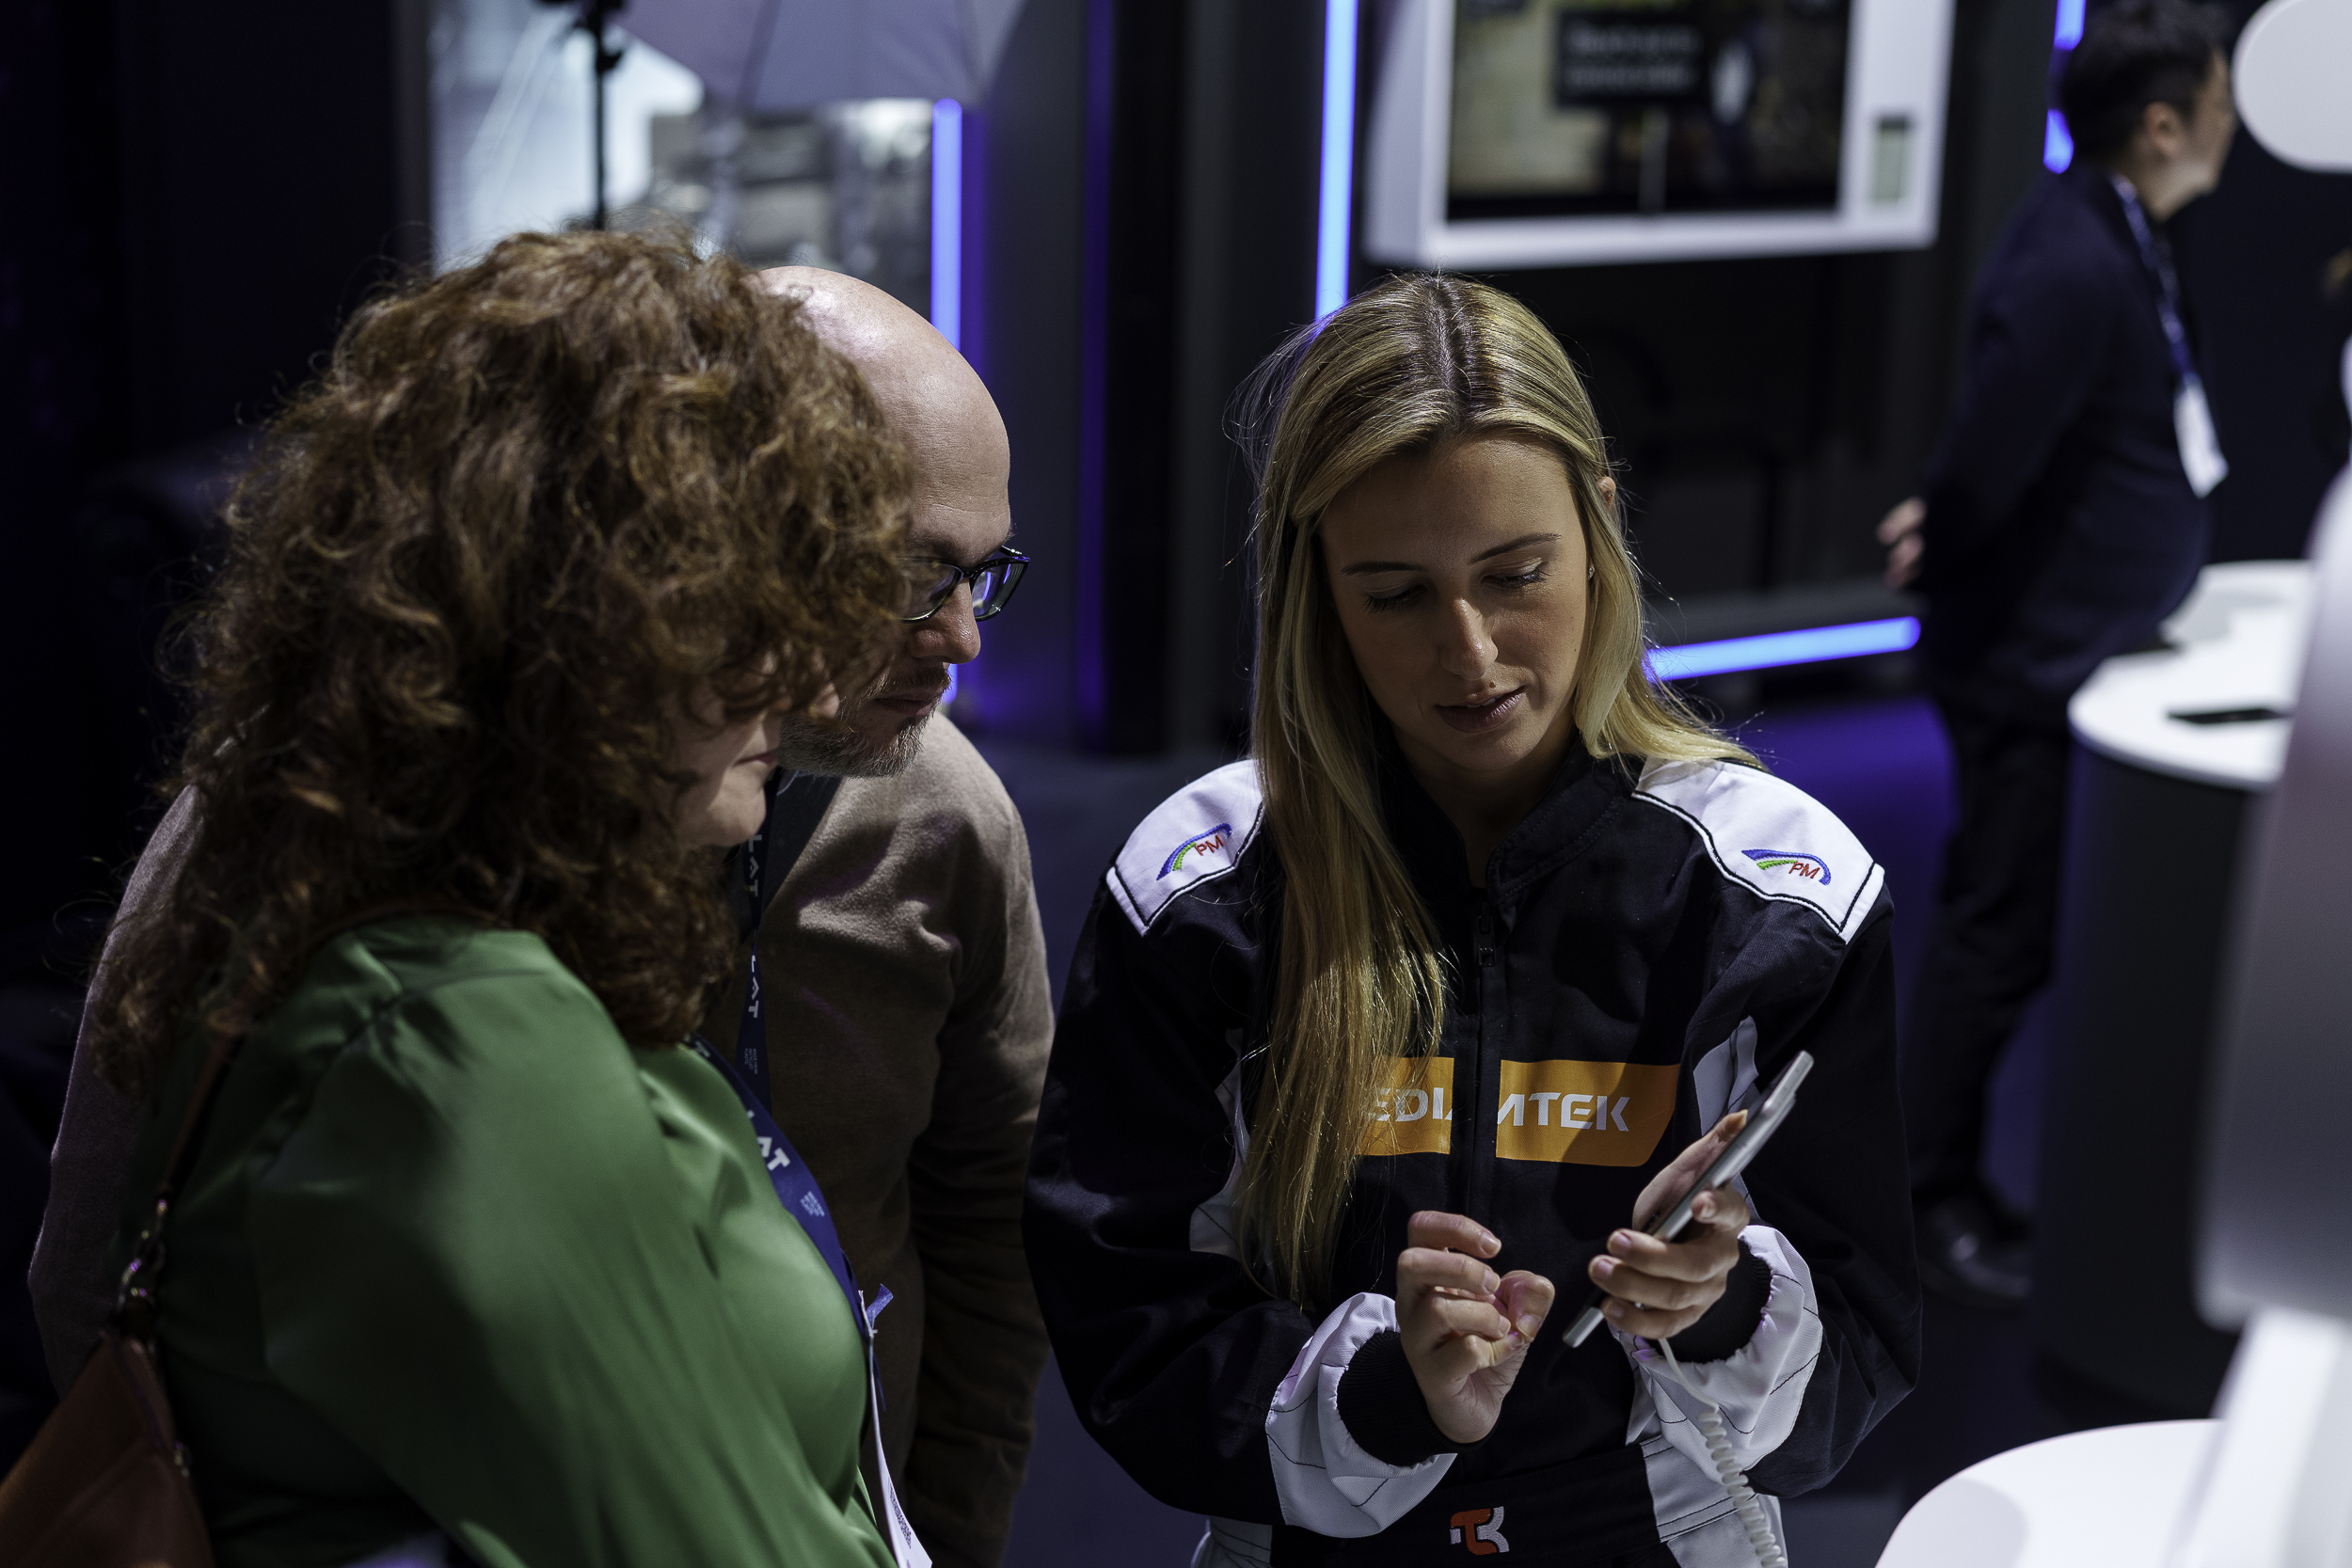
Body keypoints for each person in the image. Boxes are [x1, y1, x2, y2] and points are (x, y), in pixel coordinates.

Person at [29, 267, 1055, 1568]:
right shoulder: (454, 1021)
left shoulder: (933, 817)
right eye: (783, 591)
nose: (809, 665)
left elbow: (991, 1230)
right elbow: (105, 1273)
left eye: (981, 574)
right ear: (596, 615)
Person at [1025, 275, 1919, 1567]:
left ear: (1598, 530)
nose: (1470, 651)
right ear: (1314, 588)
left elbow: (1864, 1344)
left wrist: (1721, 1306)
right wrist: (1389, 1397)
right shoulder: (1201, 892)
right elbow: (1128, 1322)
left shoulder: (1783, 893)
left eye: (1515, 575)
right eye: (1394, 593)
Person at [1875, 0, 2236, 1308]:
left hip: (2061, 648)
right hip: (2024, 665)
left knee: (2008, 923)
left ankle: (1932, 1184)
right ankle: (1924, 1201)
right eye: (2219, 102)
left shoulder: (2114, 231)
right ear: (2164, 125)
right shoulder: (2075, 260)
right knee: (1997, 933)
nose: (2234, 125)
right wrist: (1945, 535)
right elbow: (1989, 452)